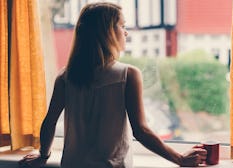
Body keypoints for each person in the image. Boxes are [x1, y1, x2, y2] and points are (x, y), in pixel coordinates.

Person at [18, 2, 207, 168]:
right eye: (122, 26)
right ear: (107, 31)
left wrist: (43, 155)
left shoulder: (66, 77)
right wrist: (180, 159)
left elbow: (50, 121)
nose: (126, 32)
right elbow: (141, 131)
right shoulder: (127, 75)